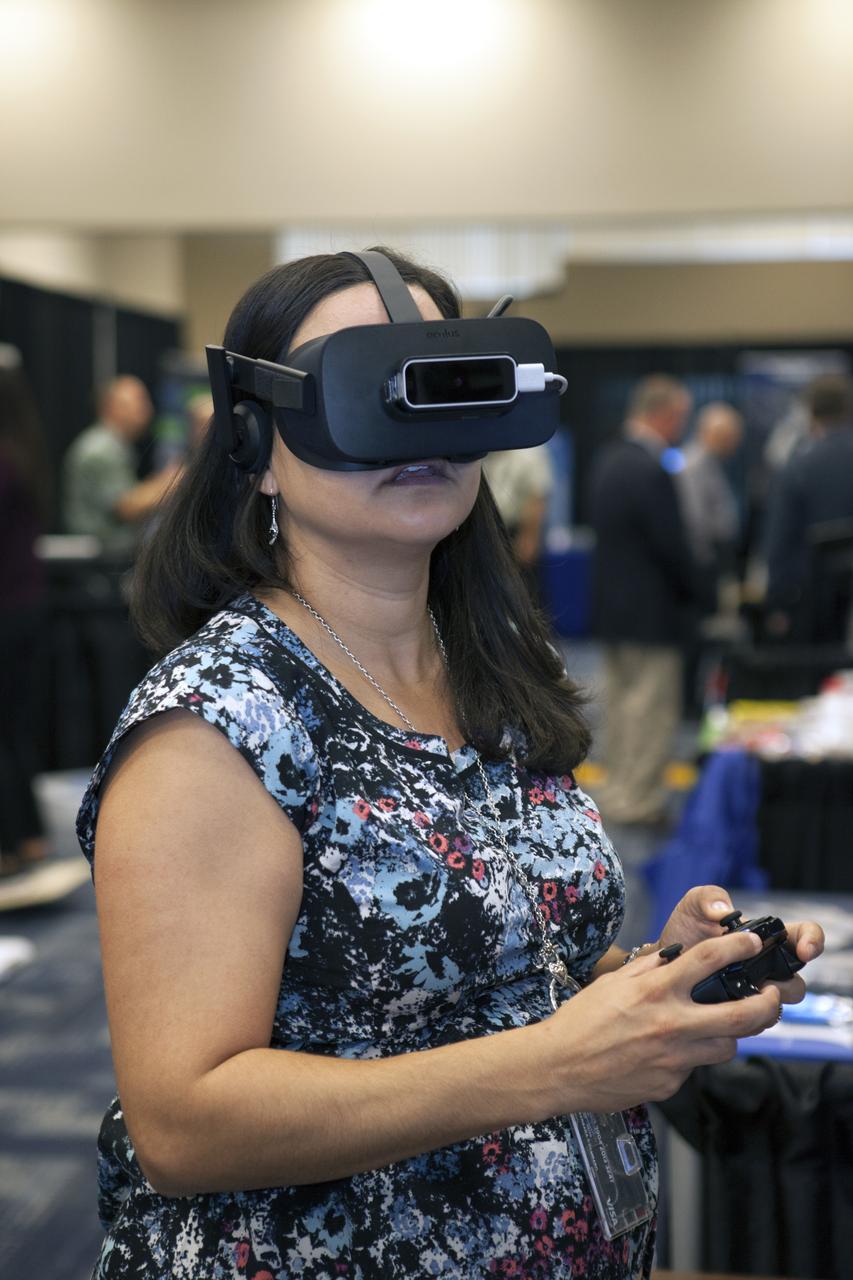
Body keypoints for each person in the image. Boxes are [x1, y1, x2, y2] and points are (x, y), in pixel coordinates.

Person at [78, 252, 823, 1279]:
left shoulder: (490, 674)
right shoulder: (219, 722)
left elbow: (504, 974)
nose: (417, 435)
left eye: (442, 388)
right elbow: (183, 1124)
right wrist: (556, 1063)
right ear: (255, 445)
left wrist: (657, 978)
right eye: (363, 390)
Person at [589, 375, 698, 827]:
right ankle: (639, 801)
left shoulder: (608, 459)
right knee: (649, 711)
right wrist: (698, 591)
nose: (682, 427)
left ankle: (618, 790)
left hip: (612, 607)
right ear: (664, 414)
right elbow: (671, 545)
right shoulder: (650, 468)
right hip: (652, 610)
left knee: (620, 707)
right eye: (681, 417)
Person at [0, 351, 51, 875]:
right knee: (14, 729)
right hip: (27, 604)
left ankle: (8, 845)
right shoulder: (24, 450)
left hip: (7, 607)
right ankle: (29, 835)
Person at [764, 373, 853, 642]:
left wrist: (777, 602)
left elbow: (780, 540)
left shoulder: (797, 467)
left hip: (813, 604)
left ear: (810, 412)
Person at [62, 375, 179, 554]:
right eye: (139, 402)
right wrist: (173, 482)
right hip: (99, 558)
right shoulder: (101, 450)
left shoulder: (113, 446)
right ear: (113, 407)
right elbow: (127, 508)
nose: (148, 410)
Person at [676, 401, 742, 609]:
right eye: (731, 437)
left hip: (715, 556)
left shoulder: (712, 463)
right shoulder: (694, 465)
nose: (735, 444)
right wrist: (705, 562)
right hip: (704, 559)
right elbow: (693, 517)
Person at [482, 443, 554, 596]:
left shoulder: (529, 452)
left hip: (515, 532)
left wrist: (529, 537)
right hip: (486, 530)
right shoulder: (484, 451)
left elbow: (537, 498)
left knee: (522, 592)